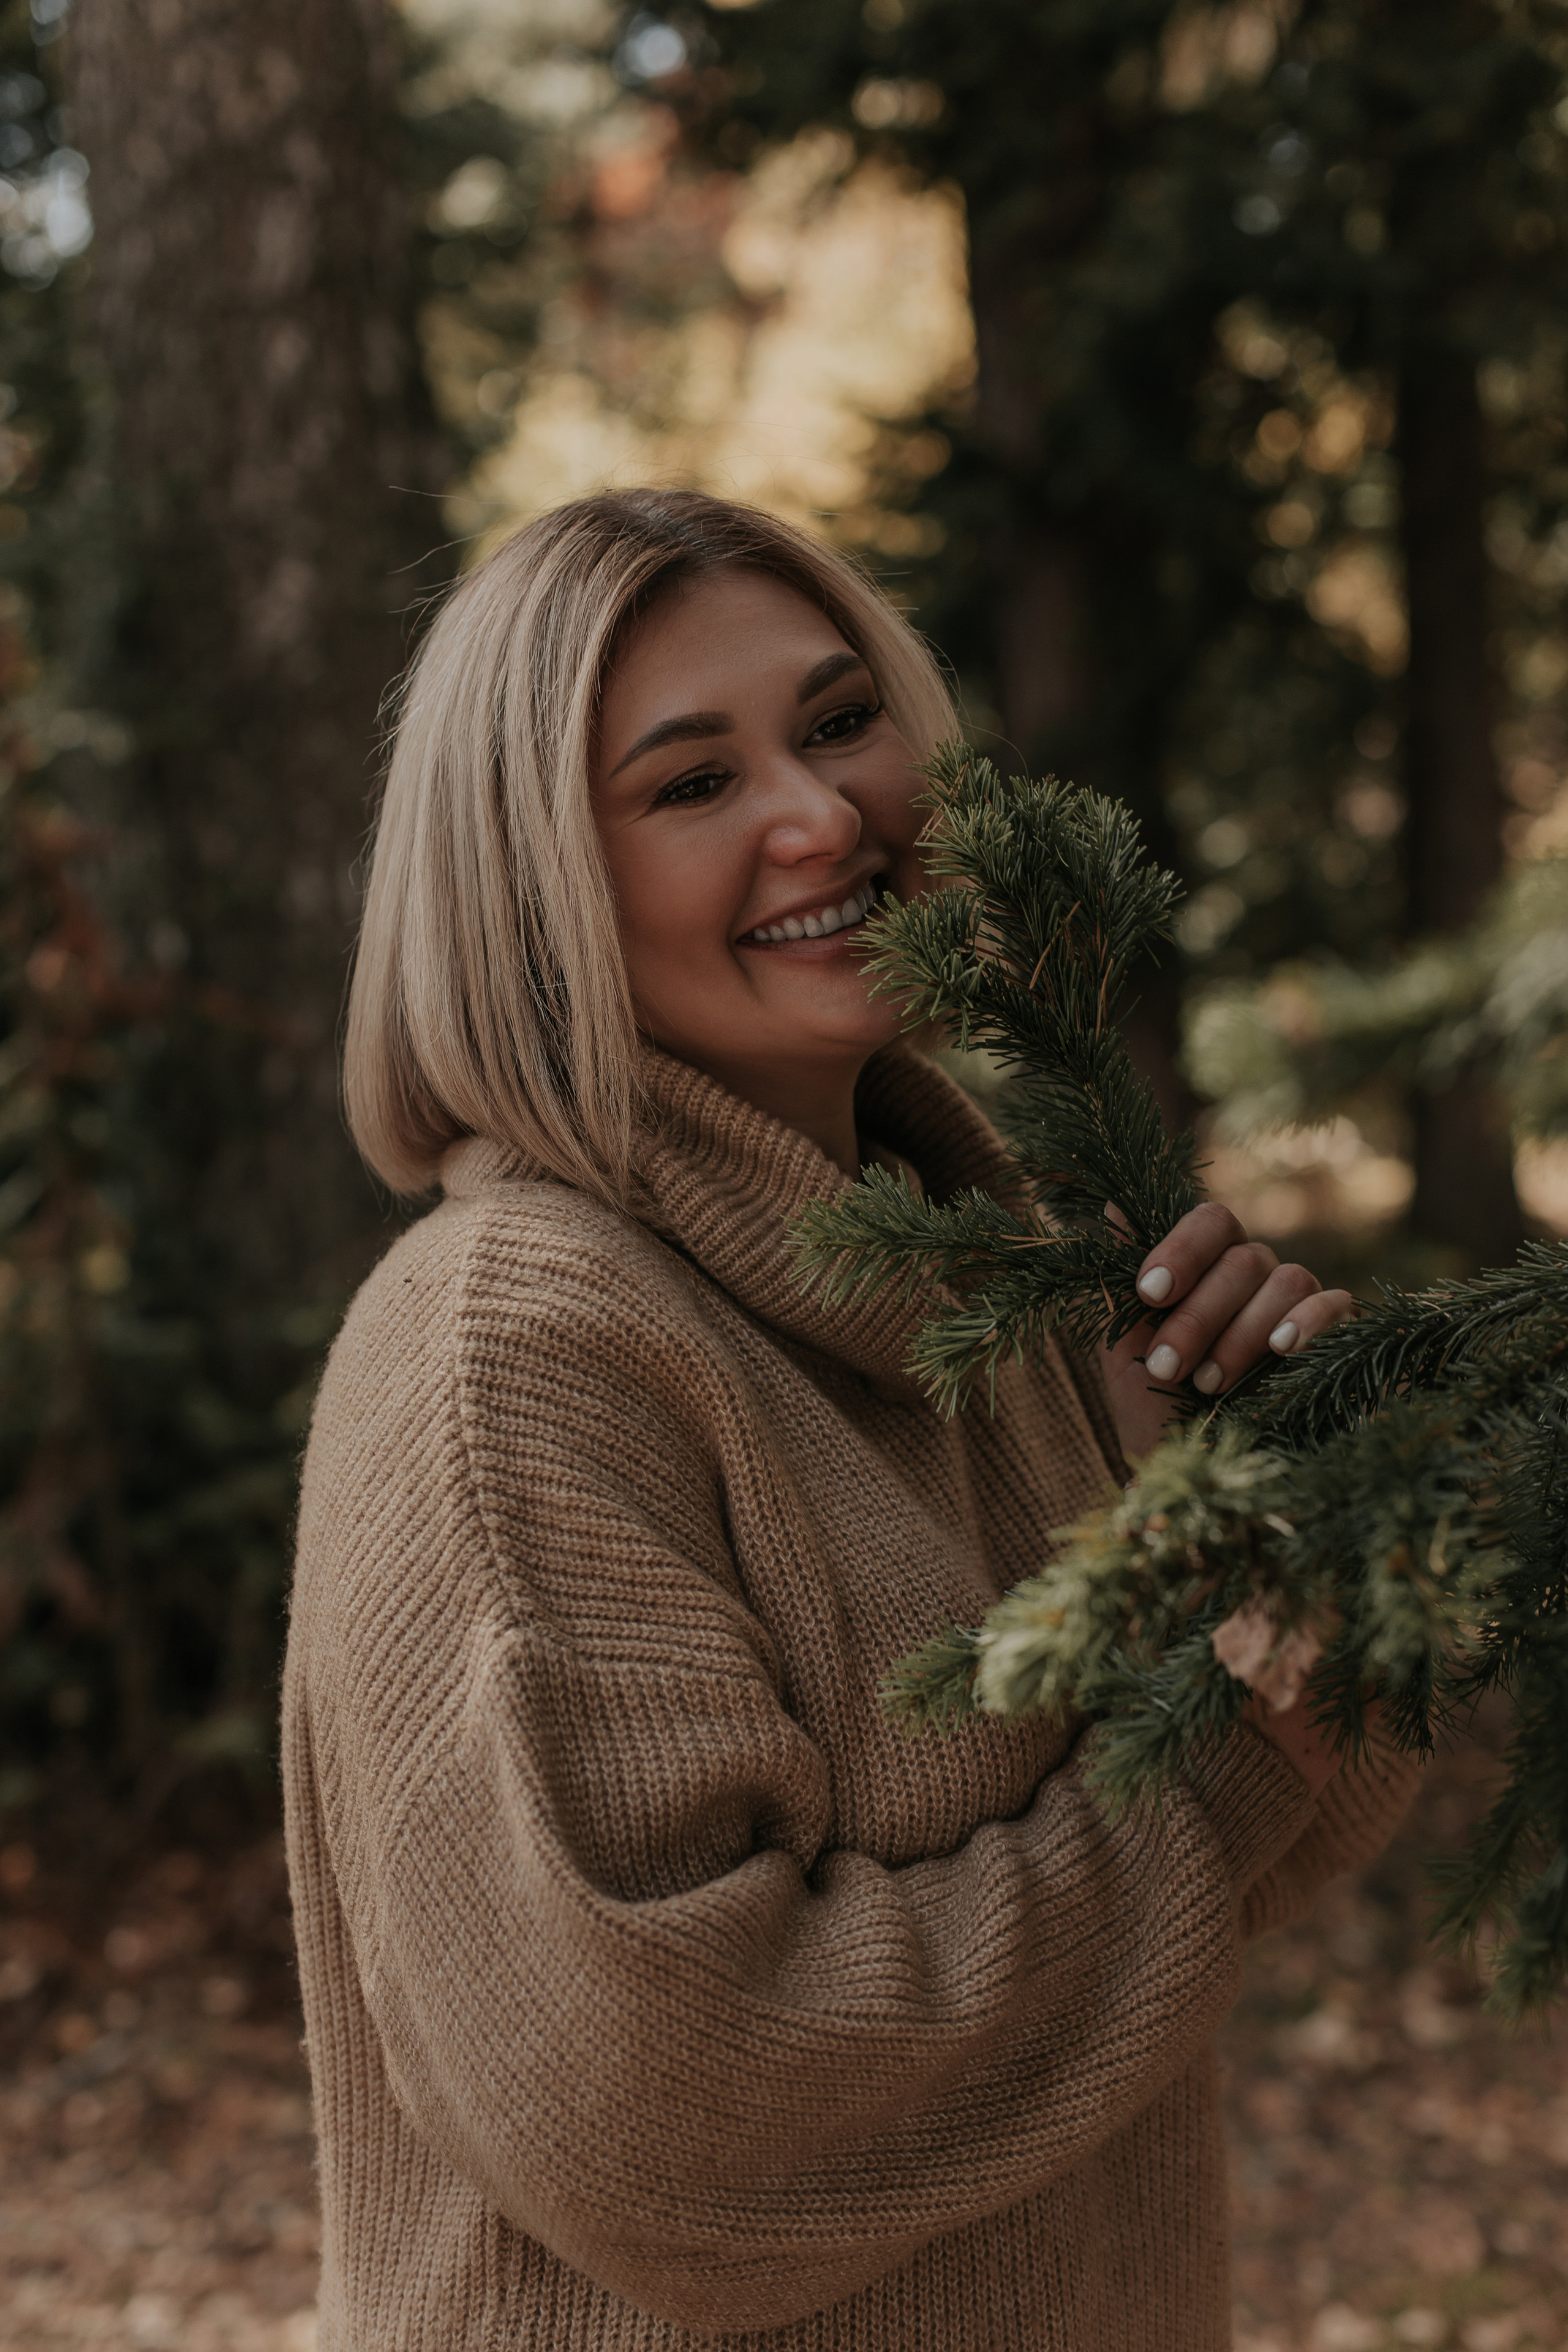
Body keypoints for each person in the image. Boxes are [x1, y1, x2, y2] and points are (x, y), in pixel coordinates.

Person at [282, 489, 1416, 2352]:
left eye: (835, 722)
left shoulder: (1005, 1288)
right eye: (690, 782)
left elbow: (1267, 1851)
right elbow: (674, 2108)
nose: (822, 818)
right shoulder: (516, 1354)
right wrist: (1229, 1738)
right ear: (534, 882)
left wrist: (1291, 1534)